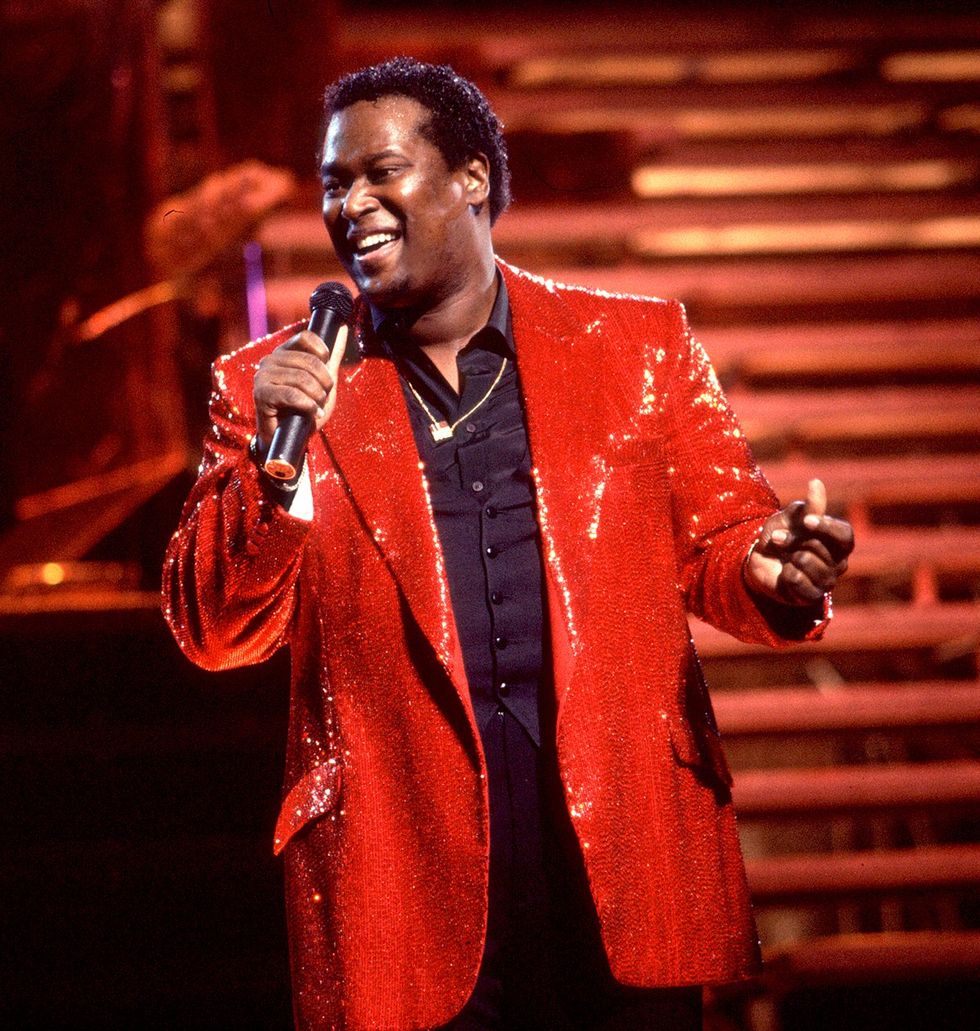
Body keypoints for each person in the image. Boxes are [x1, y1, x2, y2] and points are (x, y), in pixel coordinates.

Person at [162, 57, 854, 1031]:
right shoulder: (273, 387)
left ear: (471, 178)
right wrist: (275, 469)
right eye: (332, 185)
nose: (350, 203)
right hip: (398, 870)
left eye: (379, 172)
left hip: (616, 844)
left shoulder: (633, 348)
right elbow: (212, 626)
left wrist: (766, 569)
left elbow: (721, 539)